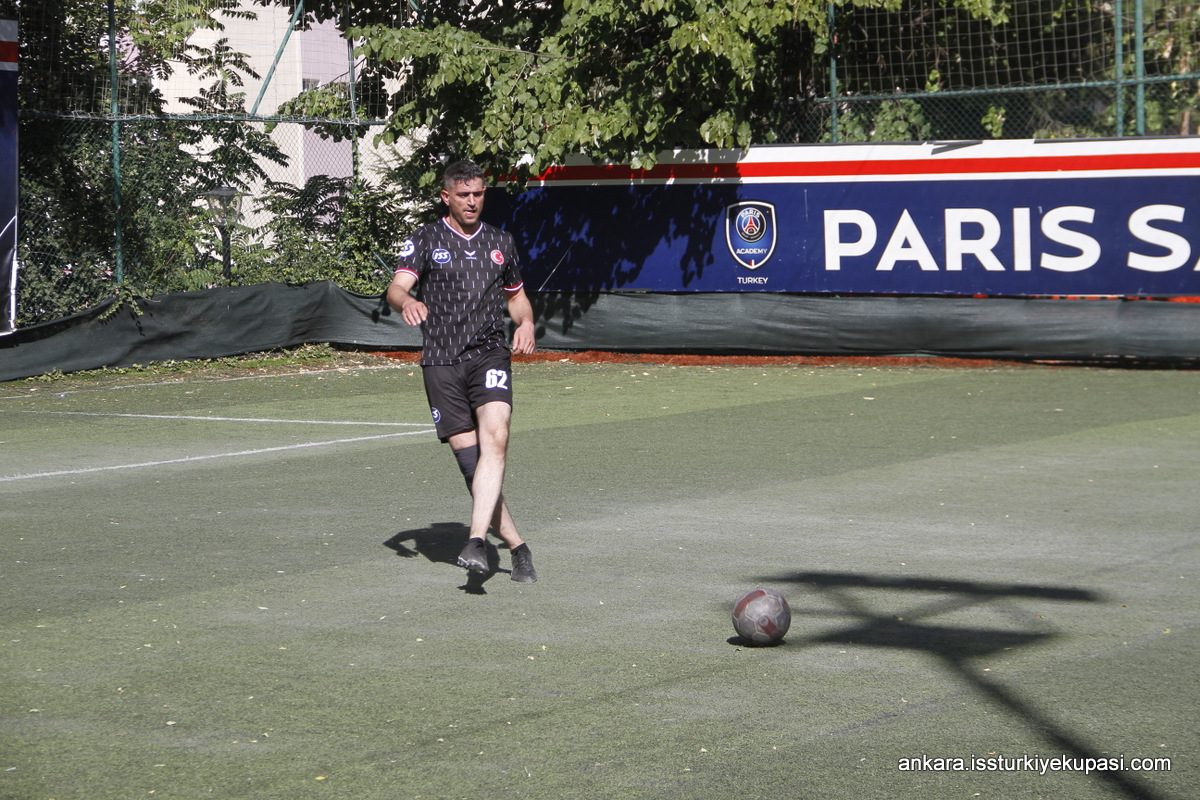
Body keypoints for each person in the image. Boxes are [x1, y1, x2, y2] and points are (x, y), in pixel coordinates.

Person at [387, 160, 538, 583]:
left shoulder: (501, 242)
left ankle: (474, 541)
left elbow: (517, 297)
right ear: (446, 197)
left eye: (478, 194)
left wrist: (526, 322)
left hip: (489, 355)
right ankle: (518, 546)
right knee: (473, 465)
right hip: (441, 361)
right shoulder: (426, 239)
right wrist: (407, 301)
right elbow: (396, 287)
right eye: (464, 194)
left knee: (497, 436)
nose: (472, 201)